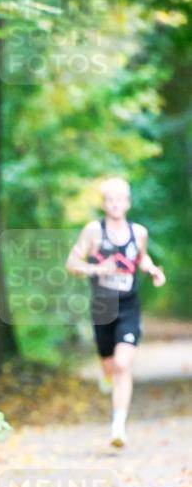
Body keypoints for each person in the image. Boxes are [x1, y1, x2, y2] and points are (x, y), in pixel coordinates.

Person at [65, 176, 166, 447]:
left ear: (128, 203)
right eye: (110, 200)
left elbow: (141, 256)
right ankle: (107, 375)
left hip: (129, 306)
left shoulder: (139, 232)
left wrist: (152, 269)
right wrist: (97, 268)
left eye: (120, 199)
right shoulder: (93, 232)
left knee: (123, 364)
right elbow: (72, 263)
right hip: (103, 307)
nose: (115, 204)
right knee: (109, 366)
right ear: (104, 203)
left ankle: (118, 425)